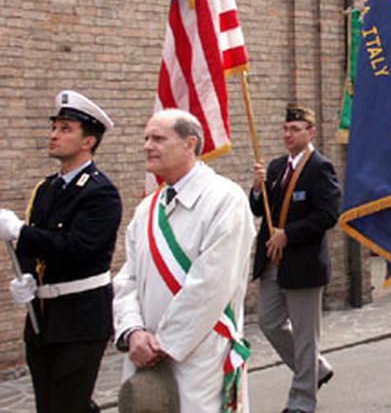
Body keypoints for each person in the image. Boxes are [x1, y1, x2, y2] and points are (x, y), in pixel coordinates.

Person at [112, 109, 256, 411]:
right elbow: (127, 279)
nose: (147, 146)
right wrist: (133, 332)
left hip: (200, 355)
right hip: (144, 352)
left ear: (190, 144)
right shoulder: (147, 209)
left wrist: (162, 344)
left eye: (158, 138)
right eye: (146, 138)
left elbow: (211, 284)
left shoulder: (225, 200)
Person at [0, 91, 122, 413]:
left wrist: (19, 232)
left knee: (67, 404)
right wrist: (26, 276)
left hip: (81, 319)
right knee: (51, 404)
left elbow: (77, 249)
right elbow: (37, 245)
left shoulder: (101, 192)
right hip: (42, 319)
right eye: (54, 127)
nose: (54, 135)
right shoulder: (47, 188)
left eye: (66, 129)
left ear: (88, 141)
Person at [250, 105, 341, 413]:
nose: (289, 134)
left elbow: (328, 215)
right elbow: (260, 210)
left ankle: (302, 400)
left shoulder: (320, 168)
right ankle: (316, 369)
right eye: (286, 129)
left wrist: (289, 233)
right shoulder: (276, 167)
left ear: (310, 132)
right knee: (269, 321)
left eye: (296, 129)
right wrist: (256, 188)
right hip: (273, 262)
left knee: (305, 334)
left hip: (303, 264)